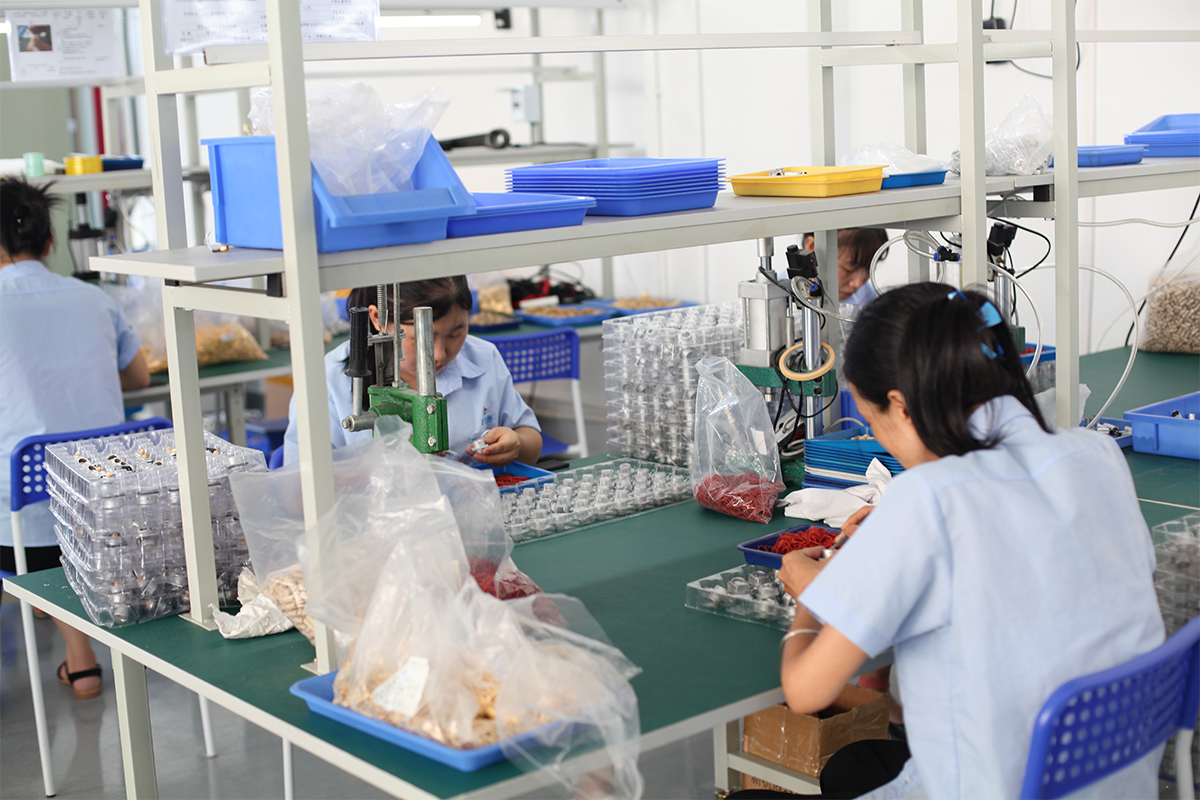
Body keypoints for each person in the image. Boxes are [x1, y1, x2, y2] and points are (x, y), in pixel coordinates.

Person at [770, 283, 1164, 798]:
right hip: (1109, 776)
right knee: (853, 766)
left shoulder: (926, 499)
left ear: (901, 406)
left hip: (1000, 785)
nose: (878, 438)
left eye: (871, 423)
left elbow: (806, 692)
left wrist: (814, 597)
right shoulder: (1097, 454)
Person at [0, 177, 151, 699]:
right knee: (63, 496)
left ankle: (76, 650)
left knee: (28, 499)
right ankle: (78, 647)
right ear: (48, 243)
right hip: (106, 511)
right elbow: (138, 378)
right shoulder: (95, 299)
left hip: (19, 530)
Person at [283, 276, 542, 466]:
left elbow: (530, 437)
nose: (439, 354)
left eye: (457, 333)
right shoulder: (327, 381)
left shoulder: (483, 357)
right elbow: (300, 486)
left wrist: (516, 445)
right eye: (422, 339)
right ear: (378, 319)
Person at [803, 228, 889, 308]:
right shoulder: (794, 295)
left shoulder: (865, 297)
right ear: (813, 247)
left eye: (868, 269)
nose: (858, 284)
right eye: (848, 269)